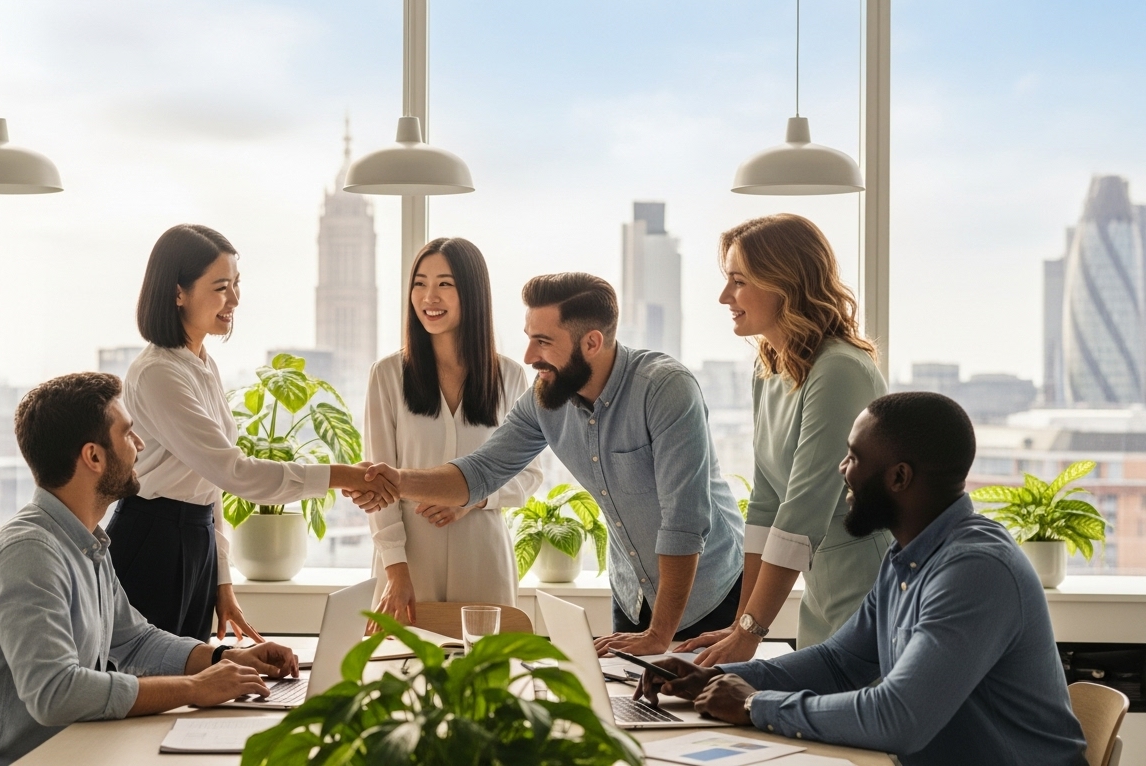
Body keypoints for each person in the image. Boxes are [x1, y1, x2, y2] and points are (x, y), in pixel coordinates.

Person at [635, 392, 1088, 766]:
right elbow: (839, 662)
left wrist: (754, 704)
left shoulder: (975, 571)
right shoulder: (908, 555)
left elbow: (899, 717)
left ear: (899, 477)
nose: (842, 469)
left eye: (853, 457)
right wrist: (713, 676)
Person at [352, 272, 744, 655]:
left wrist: (660, 634)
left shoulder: (665, 389)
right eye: (528, 339)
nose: (528, 357)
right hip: (634, 598)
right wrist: (395, 480)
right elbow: (480, 472)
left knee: (703, 716)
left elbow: (684, 523)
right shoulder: (545, 397)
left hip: (709, 596)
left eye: (543, 341)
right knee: (629, 711)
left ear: (591, 342)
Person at [0, 373, 301, 766]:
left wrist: (224, 659)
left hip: (70, 749)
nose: (140, 445)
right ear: (93, 456)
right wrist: (194, 688)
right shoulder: (28, 555)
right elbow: (56, 694)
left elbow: (135, 641)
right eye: (128, 434)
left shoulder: (85, 542)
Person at [108, 224, 395, 643]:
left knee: (187, 683)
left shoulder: (201, 363)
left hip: (195, 538)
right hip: (154, 543)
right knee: (153, 684)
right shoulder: (158, 372)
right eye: (221, 287)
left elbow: (210, 487)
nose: (235, 300)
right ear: (178, 293)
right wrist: (342, 475)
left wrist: (222, 581)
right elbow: (235, 472)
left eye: (236, 285)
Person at [677, 214, 890, 666]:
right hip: (821, 594)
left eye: (738, 281)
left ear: (784, 283)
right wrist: (739, 625)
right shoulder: (770, 367)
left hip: (867, 591)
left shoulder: (839, 369)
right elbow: (768, 503)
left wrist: (751, 631)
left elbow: (802, 513)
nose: (724, 297)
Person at [365, 238, 542, 623]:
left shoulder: (510, 376)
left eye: (445, 284)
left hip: (482, 554)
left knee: (486, 675)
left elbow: (529, 474)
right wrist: (396, 570)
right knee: (403, 673)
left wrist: (471, 499)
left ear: (472, 292)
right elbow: (377, 482)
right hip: (410, 558)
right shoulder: (388, 375)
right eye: (419, 283)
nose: (430, 296)